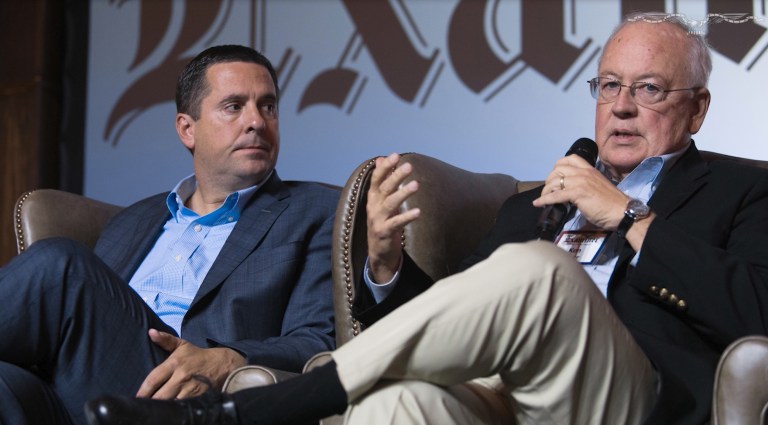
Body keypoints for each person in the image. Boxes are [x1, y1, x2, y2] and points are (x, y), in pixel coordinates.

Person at [85, 13, 768, 425]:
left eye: (646, 89)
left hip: (622, 397)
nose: (620, 107)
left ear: (698, 109)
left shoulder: (741, 190)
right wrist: (385, 268)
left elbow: (753, 307)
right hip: (500, 399)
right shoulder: (537, 203)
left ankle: (262, 410)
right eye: (609, 86)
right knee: (393, 408)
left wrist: (628, 215)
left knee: (537, 267)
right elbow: (458, 311)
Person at [0, 45, 338, 425]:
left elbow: (318, 342)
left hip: (181, 395)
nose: (257, 121)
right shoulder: (132, 221)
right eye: (234, 106)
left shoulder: (316, 210)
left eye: (268, 106)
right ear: (187, 129)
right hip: (76, 392)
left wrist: (228, 358)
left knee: (60, 265)